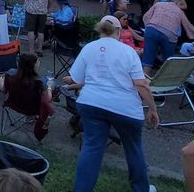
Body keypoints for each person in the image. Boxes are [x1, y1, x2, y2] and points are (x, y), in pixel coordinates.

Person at [65, 15, 159, 192]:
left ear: (100, 29)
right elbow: (141, 84)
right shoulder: (128, 52)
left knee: (91, 147)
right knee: (134, 149)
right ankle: (142, 189)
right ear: (118, 31)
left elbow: (76, 78)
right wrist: (152, 109)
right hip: (125, 108)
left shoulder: (89, 48)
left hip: (91, 103)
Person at [0, 53, 54, 141]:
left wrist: (1, 82)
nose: (39, 62)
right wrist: (49, 88)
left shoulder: (10, 74)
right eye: (38, 61)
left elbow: (3, 90)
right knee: (52, 86)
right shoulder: (39, 82)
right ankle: (33, 119)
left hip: (13, 104)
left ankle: (29, 118)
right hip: (34, 110)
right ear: (34, 65)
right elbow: (48, 100)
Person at [140, 0, 194, 74]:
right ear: (176, 2)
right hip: (169, 35)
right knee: (168, 61)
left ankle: (143, 82)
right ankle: (165, 81)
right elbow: (188, 26)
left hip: (151, 30)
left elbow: (145, 17)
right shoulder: (179, 11)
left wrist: (149, 28)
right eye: (180, 3)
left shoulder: (158, 4)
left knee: (147, 60)